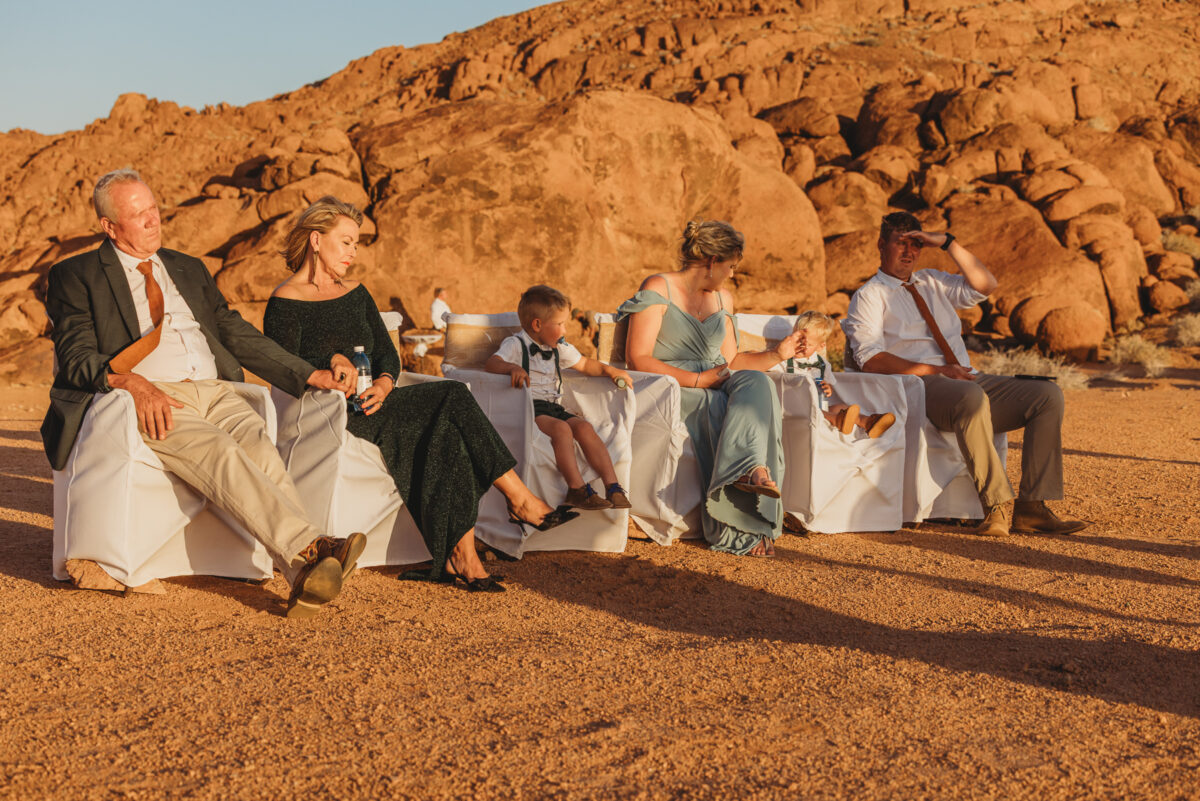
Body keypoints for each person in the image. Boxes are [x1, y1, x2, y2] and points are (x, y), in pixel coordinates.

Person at [41, 170, 364, 618]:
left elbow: (233, 331)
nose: (153, 221)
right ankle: (312, 546)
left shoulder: (187, 268)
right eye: (138, 215)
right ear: (110, 227)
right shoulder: (75, 275)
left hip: (216, 390)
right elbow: (75, 356)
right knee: (221, 452)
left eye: (154, 209)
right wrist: (132, 383)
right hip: (155, 396)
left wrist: (309, 375)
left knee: (261, 453)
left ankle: (302, 577)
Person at [263, 197, 572, 593]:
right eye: (346, 242)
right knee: (450, 405)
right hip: (332, 413)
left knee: (450, 407)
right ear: (316, 241)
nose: (353, 253)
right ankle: (514, 505)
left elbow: (386, 353)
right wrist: (328, 362)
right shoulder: (286, 301)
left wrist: (384, 383)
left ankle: (465, 553)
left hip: (378, 400)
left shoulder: (356, 292)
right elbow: (282, 365)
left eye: (356, 244)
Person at [843, 211, 1087, 537]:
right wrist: (939, 370)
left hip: (966, 377)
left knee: (1046, 396)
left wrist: (947, 242)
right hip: (920, 386)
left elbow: (986, 284)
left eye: (915, 244)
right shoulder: (869, 296)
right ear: (881, 245)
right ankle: (996, 505)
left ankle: (1032, 508)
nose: (908, 252)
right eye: (900, 244)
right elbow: (870, 359)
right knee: (971, 398)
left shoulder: (932, 281)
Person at [619, 220, 801, 557]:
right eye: (731, 266)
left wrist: (778, 354)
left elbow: (732, 362)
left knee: (760, 382)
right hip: (670, 386)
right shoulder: (660, 286)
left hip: (717, 380)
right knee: (720, 404)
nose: (732, 274)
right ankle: (739, 520)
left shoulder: (724, 299)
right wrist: (699, 380)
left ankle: (749, 469)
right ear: (713, 260)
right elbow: (637, 358)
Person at [485, 285, 634, 511]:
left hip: (554, 406)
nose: (564, 330)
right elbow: (492, 363)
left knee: (584, 427)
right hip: (530, 408)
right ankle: (577, 489)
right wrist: (510, 368)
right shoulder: (516, 344)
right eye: (560, 324)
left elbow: (584, 364)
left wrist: (609, 371)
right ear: (537, 325)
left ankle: (613, 486)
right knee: (562, 429)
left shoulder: (558, 347)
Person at [781, 311, 895, 439]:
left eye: (808, 345)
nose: (801, 346)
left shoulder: (822, 363)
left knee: (840, 407)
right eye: (798, 340)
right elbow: (769, 370)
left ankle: (868, 422)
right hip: (795, 406)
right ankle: (837, 420)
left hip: (818, 402)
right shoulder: (784, 359)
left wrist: (827, 387)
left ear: (821, 346)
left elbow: (828, 385)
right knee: (815, 411)